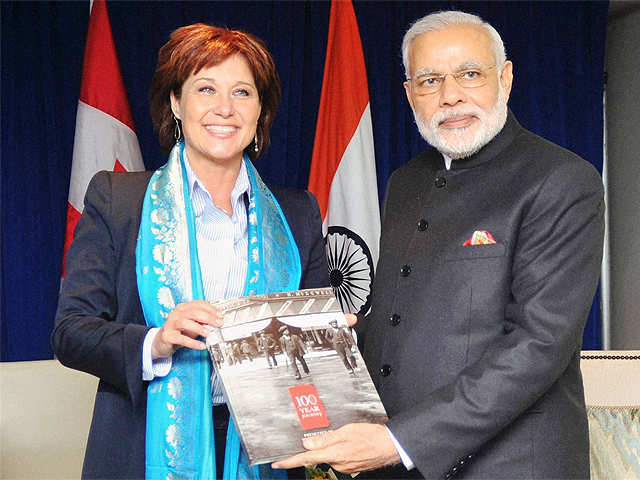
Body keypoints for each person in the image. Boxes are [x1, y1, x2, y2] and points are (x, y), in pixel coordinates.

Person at [273, 10, 604, 480]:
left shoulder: (561, 180)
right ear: (409, 93)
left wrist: (400, 441)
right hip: (396, 464)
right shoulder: (405, 183)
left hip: (509, 467)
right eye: (429, 80)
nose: (451, 96)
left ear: (505, 79)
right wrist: (328, 343)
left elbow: (538, 346)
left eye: (470, 74)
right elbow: (400, 318)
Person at [52, 23, 329, 480]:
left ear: (261, 110)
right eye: (206, 88)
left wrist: (329, 338)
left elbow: (313, 356)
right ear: (176, 103)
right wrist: (155, 341)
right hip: (140, 448)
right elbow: (70, 333)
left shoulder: (297, 212)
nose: (225, 108)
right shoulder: (117, 200)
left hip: (268, 453)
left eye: (243, 92)